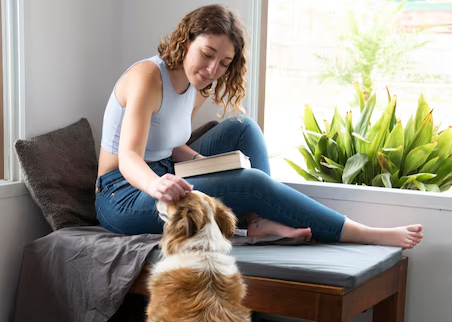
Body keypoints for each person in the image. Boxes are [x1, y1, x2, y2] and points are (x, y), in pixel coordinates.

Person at [95, 4, 423, 249]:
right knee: (249, 181)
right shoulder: (148, 77)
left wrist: (203, 164)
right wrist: (158, 188)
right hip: (122, 195)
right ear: (186, 40)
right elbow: (129, 158)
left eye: (224, 63)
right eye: (207, 54)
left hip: (165, 169)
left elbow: (165, 140)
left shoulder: (196, 85)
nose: (212, 69)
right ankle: (364, 233)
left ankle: (258, 221)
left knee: (243, 128)